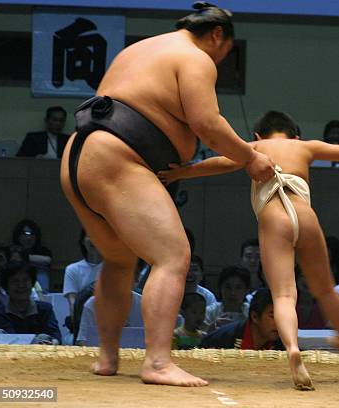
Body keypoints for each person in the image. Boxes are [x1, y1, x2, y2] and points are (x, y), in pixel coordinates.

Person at [58, 2, 274, 387]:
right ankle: (157, 362)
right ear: (218, 35)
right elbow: (207, 124)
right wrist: (249, 157)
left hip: (80, 155)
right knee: (173, 255)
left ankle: (108, 358)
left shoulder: (140, 49)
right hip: (118, 157)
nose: (220, 62)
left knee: (120, 258)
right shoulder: (195, 56)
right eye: (224, 53)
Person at [159, 110, 339, 389]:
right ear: (295, 135)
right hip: (306, 215)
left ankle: (293, 349)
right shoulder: (305, 146)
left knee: (284, 294)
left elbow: (217, 163)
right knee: (324, 289)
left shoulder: (254, 148)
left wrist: (181, 172)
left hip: (274, 217)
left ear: (259, 135)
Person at [0, 262, 61, 344]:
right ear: (6, 286)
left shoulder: (45, 309)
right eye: (15, 281)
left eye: (25, 280)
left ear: (32, 284)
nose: (21, 285)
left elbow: (55, 336)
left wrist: (52, 342)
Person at [200, 288, 282, 350]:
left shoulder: (283, 343)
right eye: (273, 316)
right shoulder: (223, 340)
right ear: (255, 317)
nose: (280, 323)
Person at [63, 230, 103, 331]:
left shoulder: (115, 269)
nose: (94, 240)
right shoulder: (72, 270)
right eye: (90, 235)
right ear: (83, 241)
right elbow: (73, 307)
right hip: (82, 325)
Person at [11, 219, 53, 293]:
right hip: (16, 288)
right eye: (25, 234)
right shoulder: (12, 249)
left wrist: (24, 257)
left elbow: (47, 260)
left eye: (32, 234)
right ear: (18, 235)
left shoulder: (42, 250)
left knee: (41, 272)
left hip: (39, 289)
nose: (29, 238)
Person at [204, 265, 250, 331]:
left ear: (246, 290)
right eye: (227, 287)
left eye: (238, 288)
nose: (232, 292)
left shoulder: (251, 313)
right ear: (220, 288)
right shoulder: (210, 312)